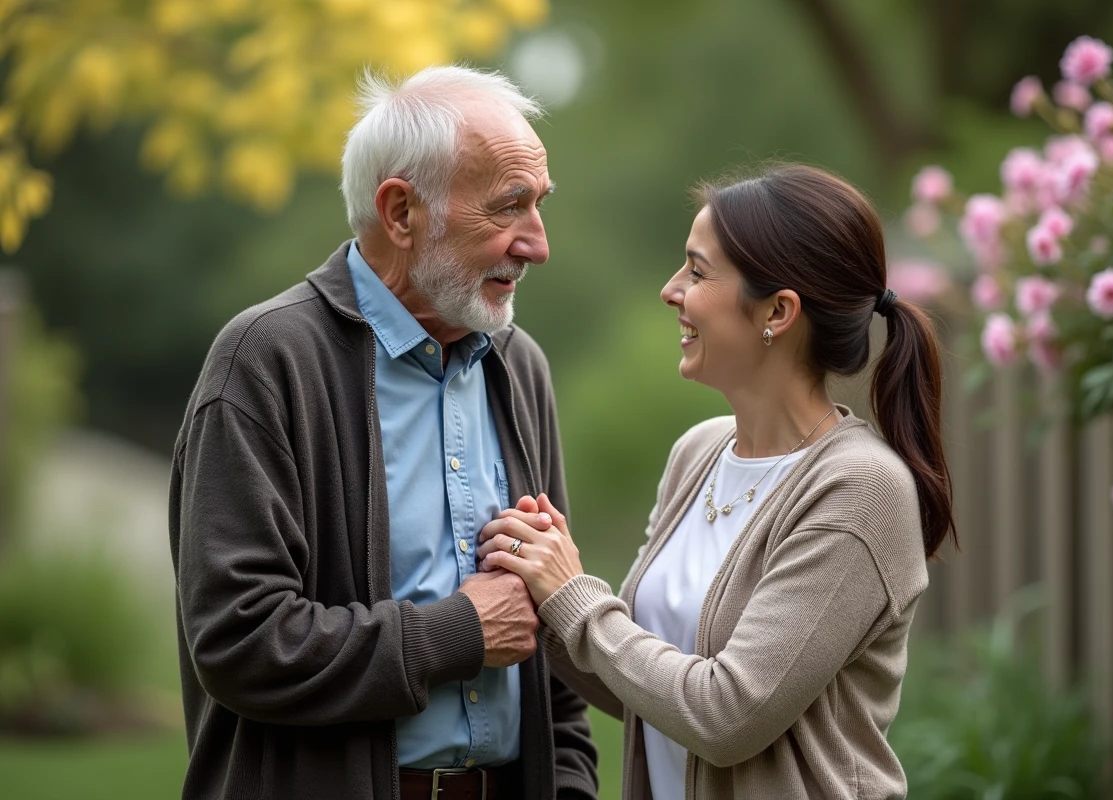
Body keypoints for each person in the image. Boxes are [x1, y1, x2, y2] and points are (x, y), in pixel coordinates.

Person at [168, 66, 598, 800]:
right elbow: (240, 640)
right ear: (400, 212)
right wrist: (459, 631)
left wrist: (569, 784)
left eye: (540, 206)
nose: (537, 244)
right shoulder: (266, 362)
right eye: (509, 208)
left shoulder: (517, 363)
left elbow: (544, 625)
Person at [477, 164, 956, 799]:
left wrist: (574, 598)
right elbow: (647, 689)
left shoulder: (859, 489)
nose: (671, 290)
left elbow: (726, 715)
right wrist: (541, 594)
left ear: (778, 311)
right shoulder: (698, 452)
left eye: (699, 273)